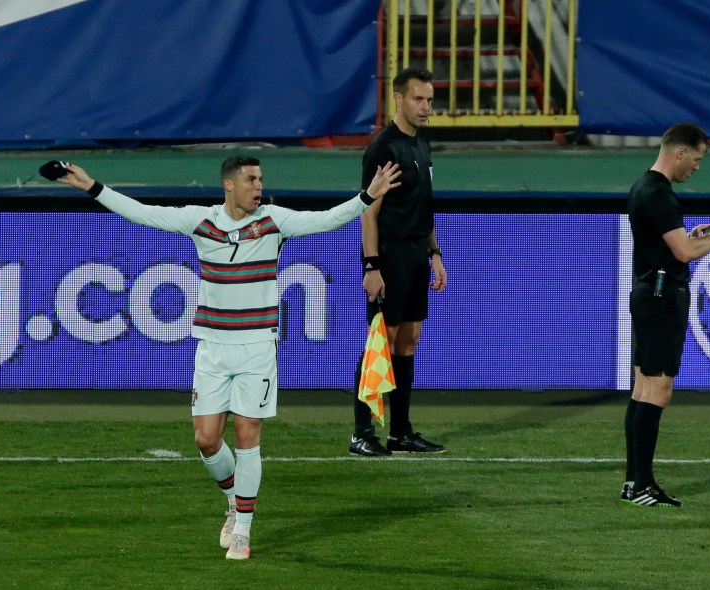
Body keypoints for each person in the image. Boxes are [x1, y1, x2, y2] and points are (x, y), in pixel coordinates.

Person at [55, 156, 401, 559]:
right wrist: (91, 186)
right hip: (213, 347)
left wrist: (366, 197)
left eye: (260, 179)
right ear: (229, 186)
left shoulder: (274, 221)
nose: (259, 186)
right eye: (252, 179)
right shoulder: (202, 221)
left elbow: (325, 219)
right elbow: (144, 214)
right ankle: (234, 503)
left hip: (257, 347)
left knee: (247, 435)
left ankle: (244, 531)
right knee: (205, 439)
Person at [623, 123, 710, 507]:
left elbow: (672, 244)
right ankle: (641, 485)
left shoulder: (644, 186)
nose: (697, 167)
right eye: (698, 159)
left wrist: (694, 234)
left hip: (648, 293)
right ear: (680, 154)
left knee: (642, 389)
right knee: (657, 391)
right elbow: (684, 254)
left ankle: (634, 482)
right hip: (661, 298)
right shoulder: (660, 194)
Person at [348, 67, 448, 457]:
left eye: (429, 100)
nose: (426, 108)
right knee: (381, 343)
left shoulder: (421, 144)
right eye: (419, 99)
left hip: (415, 254)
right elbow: (369, 212)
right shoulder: (383, 149)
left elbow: (425, 205)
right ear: (399, 99)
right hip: (388, 254)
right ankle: (362, 433)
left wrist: (435, 253)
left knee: (409, 342)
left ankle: (400, 433)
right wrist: (371, 267)